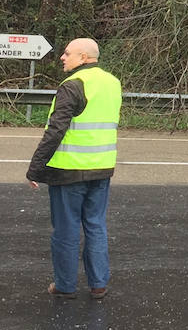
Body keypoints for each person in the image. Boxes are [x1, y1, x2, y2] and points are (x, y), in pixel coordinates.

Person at [26, 37, 122, 301]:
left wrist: (35, 168)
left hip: (68, 171)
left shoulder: (72, 85)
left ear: (83, 57)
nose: (62, 58)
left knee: (66, 230)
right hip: (101, 168)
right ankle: (99, 284)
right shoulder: (113, 83)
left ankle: (65, 285)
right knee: (95, 226)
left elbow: (56, 129)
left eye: (67, 53)